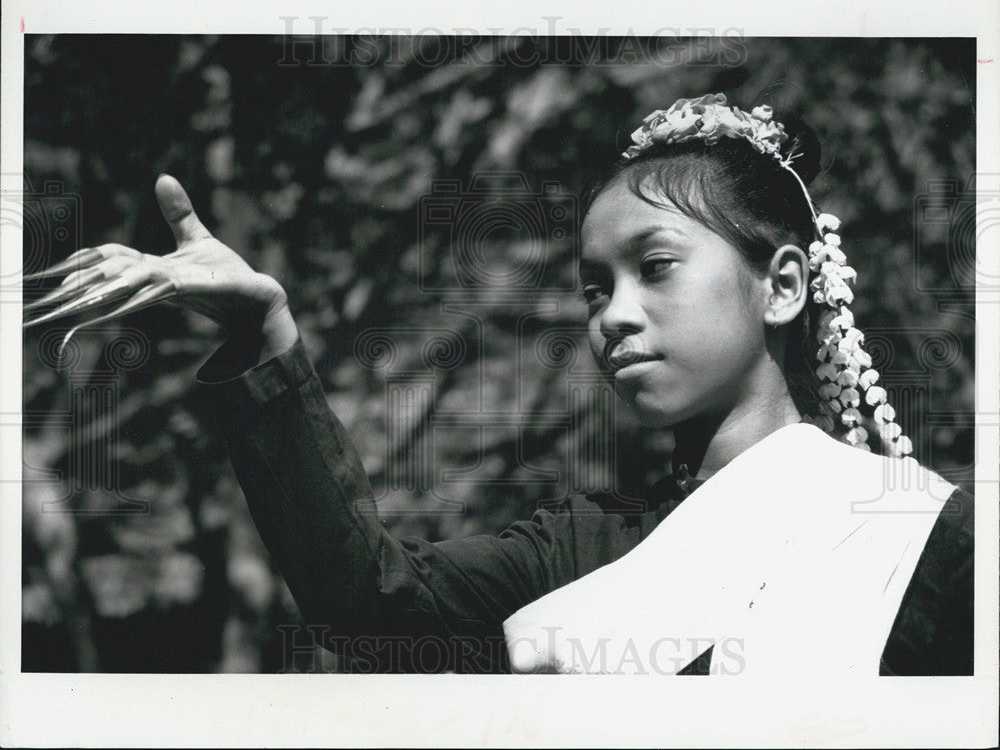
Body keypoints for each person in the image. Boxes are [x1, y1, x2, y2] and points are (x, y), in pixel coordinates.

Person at [25, 93, 973, 675]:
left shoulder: (922, 542)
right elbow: (367, 608)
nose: (614, 313)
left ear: (785, 286)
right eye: (593, 288)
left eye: (658, 266)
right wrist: (264, 335)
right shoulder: (581, 546)